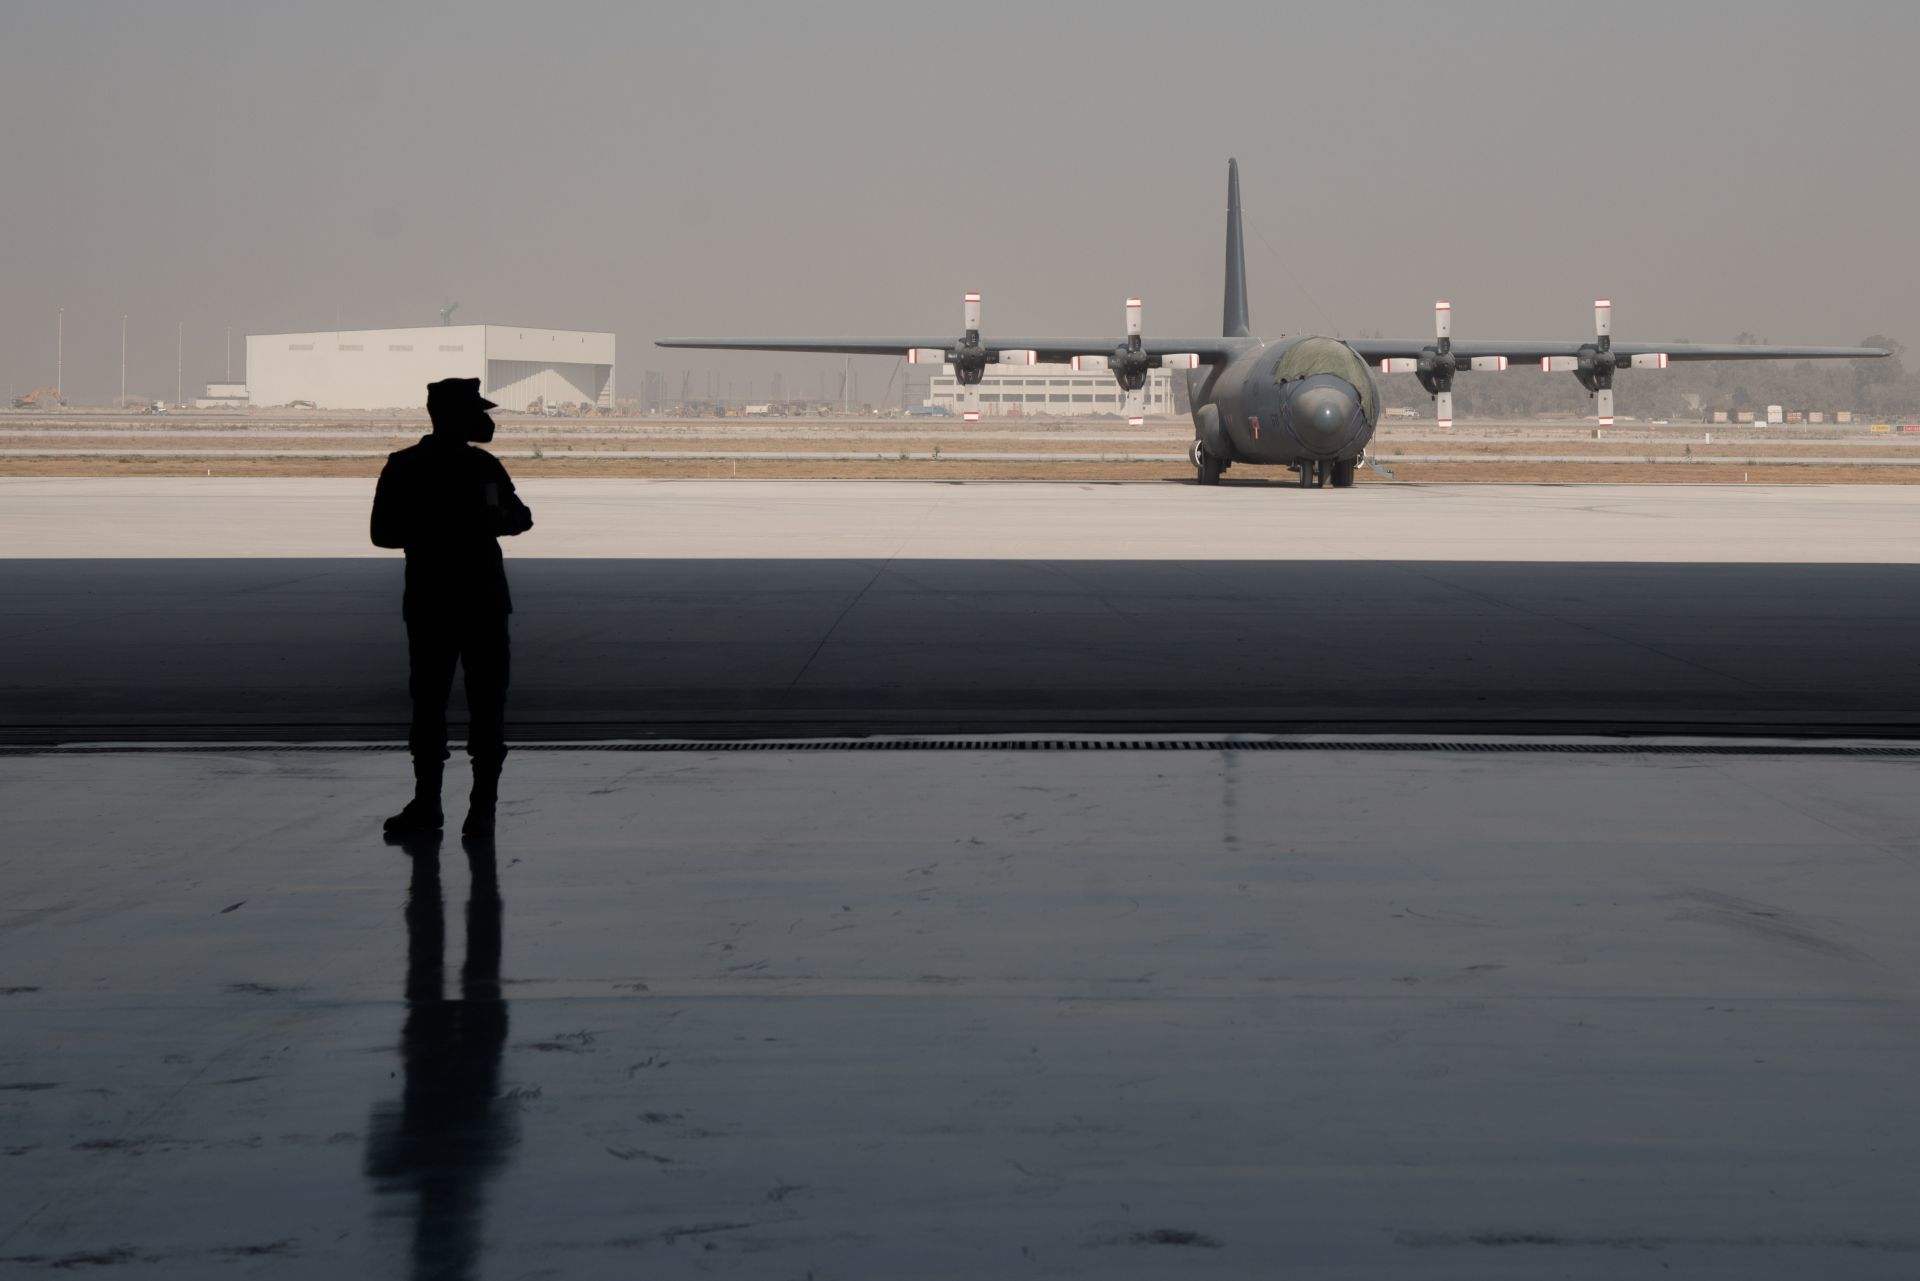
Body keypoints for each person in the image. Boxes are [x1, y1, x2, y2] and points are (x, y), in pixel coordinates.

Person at [372, 377, 533, 835]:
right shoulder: (482, 467)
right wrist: (477, 522)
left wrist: (430, 529)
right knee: (486, 706)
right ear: (454, 417)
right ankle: (480, 811)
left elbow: (383, 533)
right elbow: (520, 518)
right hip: (479, 601)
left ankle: (429, 805)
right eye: (478, 412)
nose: (486, 421)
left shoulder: (405, 466)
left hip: (431, 602)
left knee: (430, 705)